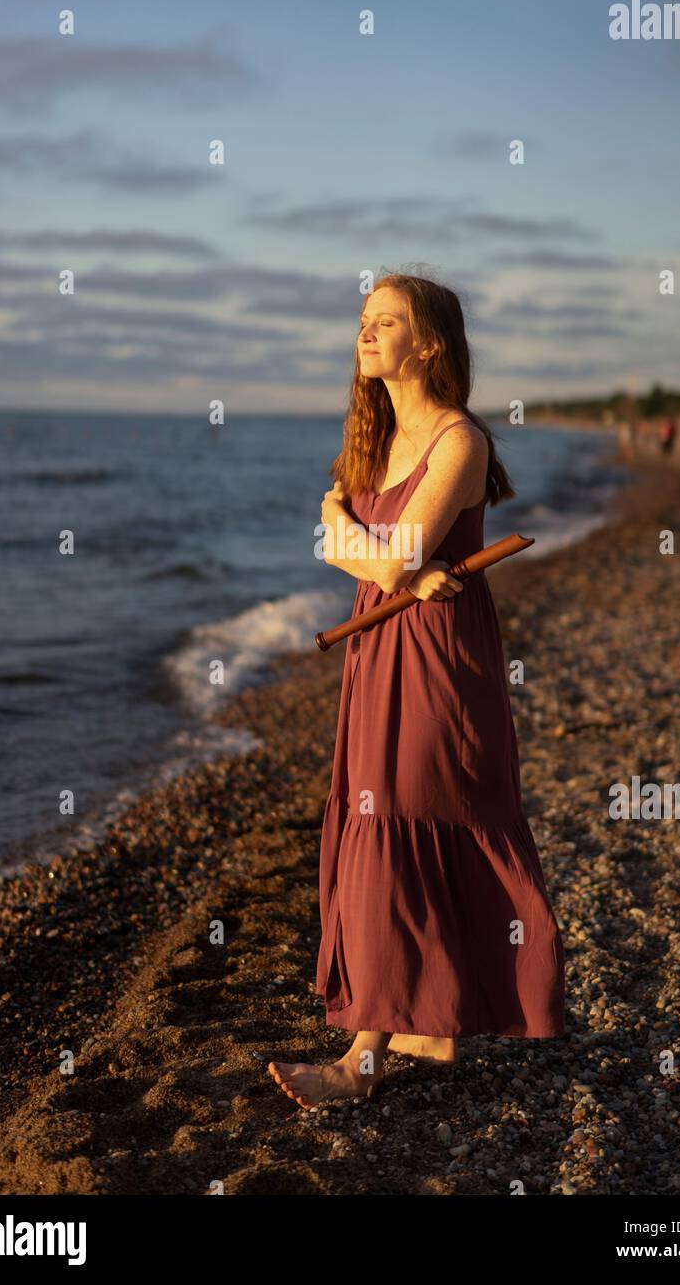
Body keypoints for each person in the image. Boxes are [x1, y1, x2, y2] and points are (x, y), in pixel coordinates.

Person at [267, 273, 565, 1110]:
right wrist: (376, 552)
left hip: (437, 656)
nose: (365, 334)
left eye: (385, 322)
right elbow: (388, 557)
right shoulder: (374, 440)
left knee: (402, 816)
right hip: (378, 646)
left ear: (429, 344)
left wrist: (341, 540)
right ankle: (429, 1026)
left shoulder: (459, 441)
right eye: (363, 321)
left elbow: (386, 555)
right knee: (386, 816)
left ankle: (362, 1059)